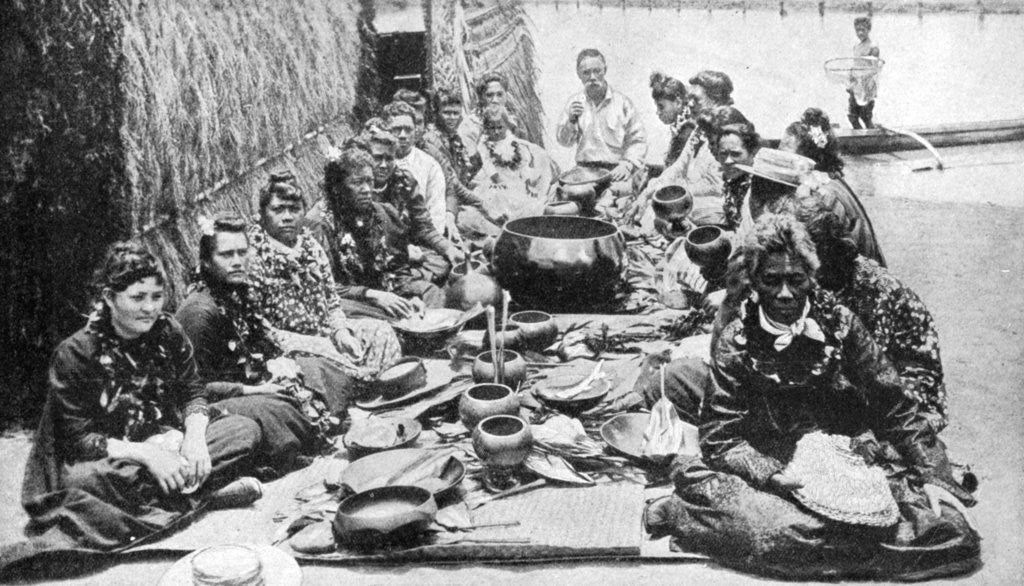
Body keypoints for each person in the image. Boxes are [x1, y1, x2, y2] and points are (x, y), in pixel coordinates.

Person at [644, 215, 980, 580]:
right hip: (770, 460)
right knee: (790, 536)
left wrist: (934, 475)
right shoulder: (736, 339)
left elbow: (895, 406)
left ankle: (845, 543)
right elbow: (721, 437)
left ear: (811, 277)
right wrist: (772, 475)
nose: (785, 293)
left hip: (841, 457)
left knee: (950, 533)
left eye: (796, 279)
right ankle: (685, 509)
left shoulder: (840, 323)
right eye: (771, 280)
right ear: (755, 282)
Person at [18, 242, 263, 552]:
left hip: (169, 439)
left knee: (243, 430)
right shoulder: (76, 353)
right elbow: (80, 440)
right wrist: (149, 455)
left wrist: (195, 438)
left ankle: (170, 497)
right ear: (109, 298)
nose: (150, 308)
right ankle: (206, 496)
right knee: (85, 483)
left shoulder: (168, 331)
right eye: (137, 298)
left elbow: (193, 392)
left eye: (157, 297)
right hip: (112, 455)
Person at [176, 213, 347, 474]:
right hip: (212, 405)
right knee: (276, 409)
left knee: (318, 369)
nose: (237, 262)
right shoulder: (199, 313)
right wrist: (253, 390)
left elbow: (258, 346)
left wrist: (276, 363)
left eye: (242, 252)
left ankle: (316, 424)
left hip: (250, 380)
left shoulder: (237, 293)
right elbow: (194, 391)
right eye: (226, 255)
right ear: (206, 263)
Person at [791, 188, 947, 431]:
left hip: (898, 398)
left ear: (830, 250)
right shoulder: (810, 284)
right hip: (838, 397)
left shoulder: (882, 292)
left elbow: (917, 375)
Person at [246, 171, 400, 382]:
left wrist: (341, 332)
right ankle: (361, 385)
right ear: (263, 214)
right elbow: (259, 327)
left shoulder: (311, 248)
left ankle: (378, 388)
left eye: (294, 209)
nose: (288, 217)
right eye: (278, 210)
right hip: (285, 345)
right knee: (330, 363)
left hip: (324, 333)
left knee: (381, 332)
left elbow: (332, 303)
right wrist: (316, 344)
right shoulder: (254, 257)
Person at [306, 143, 456, 318]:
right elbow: (326, 287)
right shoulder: (320, 225)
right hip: (352, 298)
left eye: (369, 181)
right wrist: (373, 295)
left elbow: (398, 270)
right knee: (356, 312)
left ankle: (423, 327)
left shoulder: (383, 213)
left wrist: (409, 296)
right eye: (357, 183)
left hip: (385, 288)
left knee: (430, 292)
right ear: (337, 187)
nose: (367, 190)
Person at [630, 72, 738, 228]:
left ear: (716, 101)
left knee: (659, 212)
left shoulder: (728, 134)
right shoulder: (699, 131)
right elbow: (677, 167)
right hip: (691, 199)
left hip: (715, 207)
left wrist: (669, 191)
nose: (691, 104)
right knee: (652, 205)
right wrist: (648, 191)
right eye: (690, 98)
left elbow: (716, 186)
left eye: (696, 99)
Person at [779, 111, 886, 266]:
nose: (779, 161)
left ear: (809, 161)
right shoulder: (831, 178)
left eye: (787, 158)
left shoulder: (821, 194)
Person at [555, 48, 647, 216]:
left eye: (597, 71)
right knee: (573, 198)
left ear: (605, 69)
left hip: (616, 172)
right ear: (578, 74)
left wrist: (627, 164)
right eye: (586, 72)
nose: (592, 77)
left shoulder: (622, 103)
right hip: (584, 173)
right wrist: (571, 120)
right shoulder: (574, 103)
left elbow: (638, 139)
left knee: (622, 200)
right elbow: (563, 141)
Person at [393, 88, 491, 240]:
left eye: (420, 122)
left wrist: (449, 215)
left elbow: (452, 184)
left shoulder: (429, 147)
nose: (417, 129)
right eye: (446, 113)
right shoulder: (430, 142)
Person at [458, 105, 559, 246]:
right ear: (486, 128)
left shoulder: (513, 142)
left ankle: (519, 224)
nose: (496, 131)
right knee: (496, 199)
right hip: (495, 183)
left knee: (527, 200)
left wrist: (527, 179)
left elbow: (523, 163)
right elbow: (488, 166)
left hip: (515, 181)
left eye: (500, 127)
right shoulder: (484, 145)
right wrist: (498, 180)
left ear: (506, 125)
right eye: (492, 128)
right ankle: (500, 228)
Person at [382, 101, 447, 234]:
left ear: (415, 130)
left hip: (422, 240)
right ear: (386, 130)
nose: (402, 135)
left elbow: (437, 215)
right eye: (396, 129)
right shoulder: (378, 164)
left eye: (408, 129)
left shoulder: (430, 166)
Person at [459, 72, 523, 152]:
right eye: (489, 95)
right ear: (481, 98)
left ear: (505, 96)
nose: (495, 100)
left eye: (500, 94)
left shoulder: (511, 120)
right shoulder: (470, 124)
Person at [649, 71, 693, 168]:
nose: (658, 112)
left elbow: (674, 169)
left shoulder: (687, 131)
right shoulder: (681, 127)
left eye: (661, 107)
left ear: (677, 102)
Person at [848, 16, 881, 129]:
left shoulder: (873, 48)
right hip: (856, 85)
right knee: (852, 117)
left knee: (865, 116)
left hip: (867, 85)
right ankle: (861, 138)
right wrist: (851, 77)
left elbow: (875, 69)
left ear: (868, 30)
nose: (860, 33)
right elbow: (855, 65)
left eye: (863, 30)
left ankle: (872, 139)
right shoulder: (856, 47)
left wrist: (862, 77)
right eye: (857, 30)